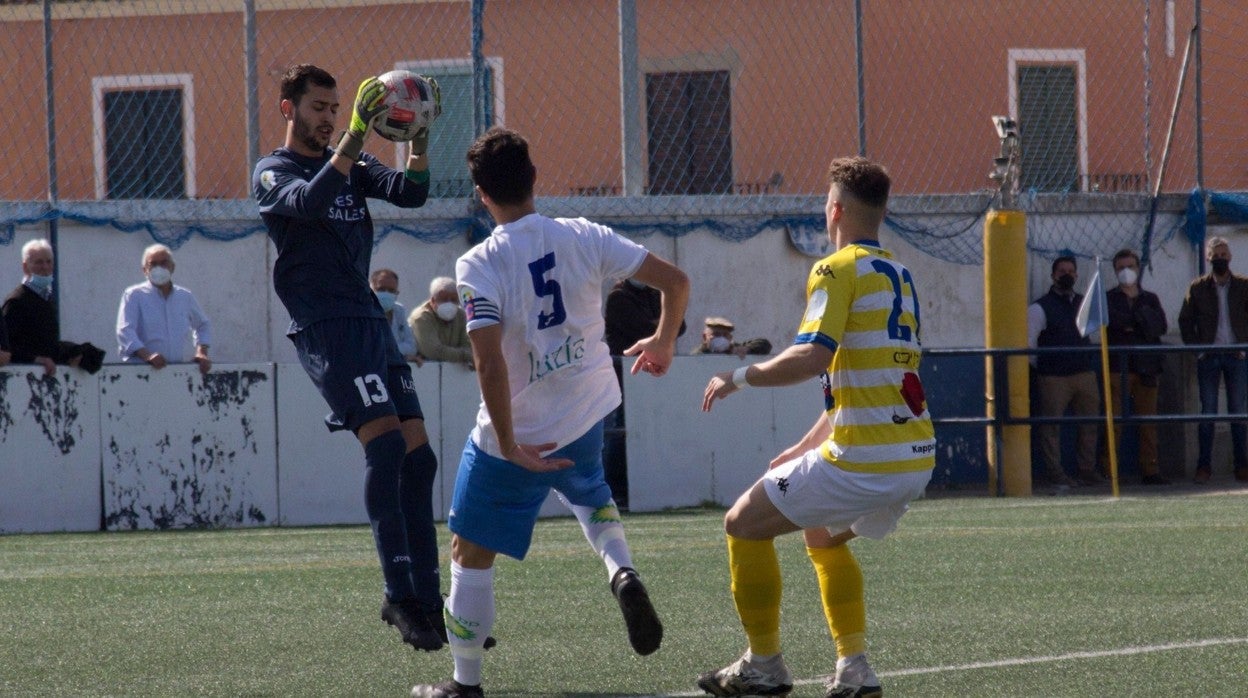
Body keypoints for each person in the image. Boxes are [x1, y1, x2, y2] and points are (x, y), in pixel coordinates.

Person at [410, 127, 690, 698]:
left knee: (469, 550)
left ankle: (465, 682)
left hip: (522, 434)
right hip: (589, 414)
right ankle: (622, 571)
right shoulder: (584, 235)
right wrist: (662, 343)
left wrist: (509, 445)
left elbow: (489, 365)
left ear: (481, 196)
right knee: (591, 492)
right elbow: (676, 282)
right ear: (535, 179)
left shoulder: (478, 265)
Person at [698, 156, 933, 698]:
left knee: (740, 523)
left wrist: (739, 375)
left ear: (834, 210)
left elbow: (810, 358)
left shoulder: (835, 268)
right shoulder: (900, 273)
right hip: (915, 457)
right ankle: (853, 670)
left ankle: (764, 666)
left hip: (865, 460)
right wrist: (803, 447)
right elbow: (864, 382)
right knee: (822, 536)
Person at [252, 63, 448, 651]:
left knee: (421, 460)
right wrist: (357, 134)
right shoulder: (272, 171)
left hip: (369, 321)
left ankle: (431, 601)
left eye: (336, 109)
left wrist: (419, 137)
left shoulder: (353, 161)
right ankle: (399, 595)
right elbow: (310, 204)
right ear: (288, 110)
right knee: (386, 445)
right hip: (326, 326)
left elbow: (412, 194)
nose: (329, 118)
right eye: (319, 108)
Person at [602, 278, 687, 508]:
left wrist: (662, 329)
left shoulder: (653, 293)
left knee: (648, 430)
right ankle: (615, 490)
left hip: (650, 372)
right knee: (619, 432)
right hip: (624, 374)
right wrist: (664, 326)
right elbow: (645, 330)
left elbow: (680, 325)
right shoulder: (618, 296)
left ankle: (640, 489)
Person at [1027, 255, 1103, 488]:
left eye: (1071, 271)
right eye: (1062, 271)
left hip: (1084, 373)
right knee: (1051, 428)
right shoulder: (1039, 308)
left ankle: (1086, 470)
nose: (1067, 275)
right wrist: (1045, 369)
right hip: (1053, 377)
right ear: (1053, 275)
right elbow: (1028, 345)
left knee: (1090, 424)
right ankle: (1055, 473)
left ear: (1077, 275)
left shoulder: (1085, 303)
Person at [1178, 236, 1248, 484]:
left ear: (1230, 256)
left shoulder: (1243, 285)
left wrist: (1245, 348)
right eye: (1215, 255)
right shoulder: (1197, 288)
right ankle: (1203, 467)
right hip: (1209, 355)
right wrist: (1199, 350)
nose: (1219, 258)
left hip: (1237, 355)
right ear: (1208, 258)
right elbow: (1185, 321)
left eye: (1223, 254)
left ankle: (1242, 466)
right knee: (1207, 412)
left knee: (1238, 412)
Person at [1104, 248, 1170, 485]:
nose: (1126, 272)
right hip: (1116, 368)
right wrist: (1140, 322)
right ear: (1115, 270)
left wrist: (1134, 323)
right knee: (1114, 423)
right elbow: (1111, 325)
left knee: (1148, 423)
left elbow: (1160, 326)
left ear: (1137, 268)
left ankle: (1150, 470)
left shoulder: (1150, 298)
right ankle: (1109, 470)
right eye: (1121, 267)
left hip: (1147, 368)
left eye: (1130, 266)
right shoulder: (1108, 298)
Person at [2, 239, 106, 376]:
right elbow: (7, 348)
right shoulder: (16, 301)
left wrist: (71, 354)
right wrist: (36, 359)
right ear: (25, 267)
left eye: (48, 262)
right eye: (39, 262)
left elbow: (46, 342)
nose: (45, 267)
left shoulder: (47, 299)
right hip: (24, 377)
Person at [116, 243, 213, 375]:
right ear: (145, 270)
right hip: (141, 372)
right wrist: (147, 356)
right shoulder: (134, 295)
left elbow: (203, 324)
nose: (159, 268)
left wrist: (201, 352)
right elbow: (125, 331)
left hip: (175, 371)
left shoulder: (184, 296)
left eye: (164, 263)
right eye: (153, 264)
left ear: (172, 267)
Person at [409, 276, 473, 365]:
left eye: (453, 300)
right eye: (444, 299)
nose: (449, 303)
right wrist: (464, 355)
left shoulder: (461, 315)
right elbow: (433, 351)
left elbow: (469, 347)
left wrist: (467, 354)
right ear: (432, 301)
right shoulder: (421, 317)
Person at [370, 268, 423, 366]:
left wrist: (392, 352)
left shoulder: (399, 310)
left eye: (391, 290)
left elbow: (411, 347)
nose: (386, 293)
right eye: (381, 289)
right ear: (371, 290)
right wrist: (399, 353)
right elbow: (370, 349)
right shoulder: (364, 313)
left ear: (396, 293)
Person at [692, 316, 772, 357]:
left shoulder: (734, 348)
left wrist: (746, 349)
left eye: (725, 335)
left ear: (730, 338)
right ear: (705, 337)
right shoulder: (698, 355)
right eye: (716, 334)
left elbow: (765, 344)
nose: (721, 338)